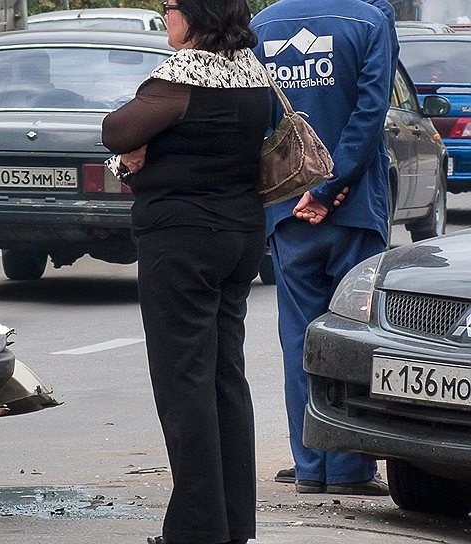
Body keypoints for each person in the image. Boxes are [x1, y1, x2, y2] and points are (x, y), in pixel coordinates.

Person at [101, 0, 269, 542]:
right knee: (225, 378)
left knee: (184, 384)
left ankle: (197, 530)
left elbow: (114, 131)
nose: (164, 14)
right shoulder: (252, 73)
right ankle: (232, 524)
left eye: (170, 6)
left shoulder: (180, 77)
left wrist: (136, 154)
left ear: (194, 15)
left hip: (183, 243)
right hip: (240, 237)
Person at [251, 0, 395, 495]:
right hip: (354, 211)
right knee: (356, 337)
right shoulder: (368, 21)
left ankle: (310, 466)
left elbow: (258, 117)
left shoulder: (263, 24)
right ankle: (350, 469)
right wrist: (334, 186)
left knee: (300, 340)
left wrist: (303, 191)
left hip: (288, 210)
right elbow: (371, 111)